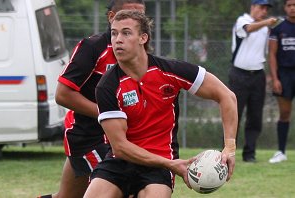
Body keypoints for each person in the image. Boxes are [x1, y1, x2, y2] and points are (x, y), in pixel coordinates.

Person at [83, 10, 238, 198]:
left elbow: (227, 96)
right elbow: (120, 147)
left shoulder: (170, 70)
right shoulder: (107, 86)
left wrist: (229, 147)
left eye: (126, 32)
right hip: (120, 162)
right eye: (114, 33)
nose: (117, 39)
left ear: (143, 38)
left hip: (159, 166)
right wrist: (172, 165)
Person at [37, 1, 146, 198]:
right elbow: (63, 94)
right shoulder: (93, 47)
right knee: (123, 188)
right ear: (112, 17)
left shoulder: (142, 54)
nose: (135, 20)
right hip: (88, 137)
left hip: (117, 138)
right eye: (129, 13)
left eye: (141, 16)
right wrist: (108, 114)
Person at [229, 0, 278, 163]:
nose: (264, 11)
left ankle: (249, 154)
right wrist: (267, 23)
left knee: (255, 117)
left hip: (258, 75)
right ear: (253, 7)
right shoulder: (242, 20)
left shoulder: (265, 28)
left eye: (266, 9)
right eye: (261, 7)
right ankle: (228, 153)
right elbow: (248, 30)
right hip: (239, 75)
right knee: (234, 114)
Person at [268, 0, 295, 164]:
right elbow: (271, 54)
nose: (293, 8)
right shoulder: (278, 28)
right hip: (284, 75)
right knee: (285, 113)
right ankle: (281, 151)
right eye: (290, 5)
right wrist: (275, 78)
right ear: (285, 8)